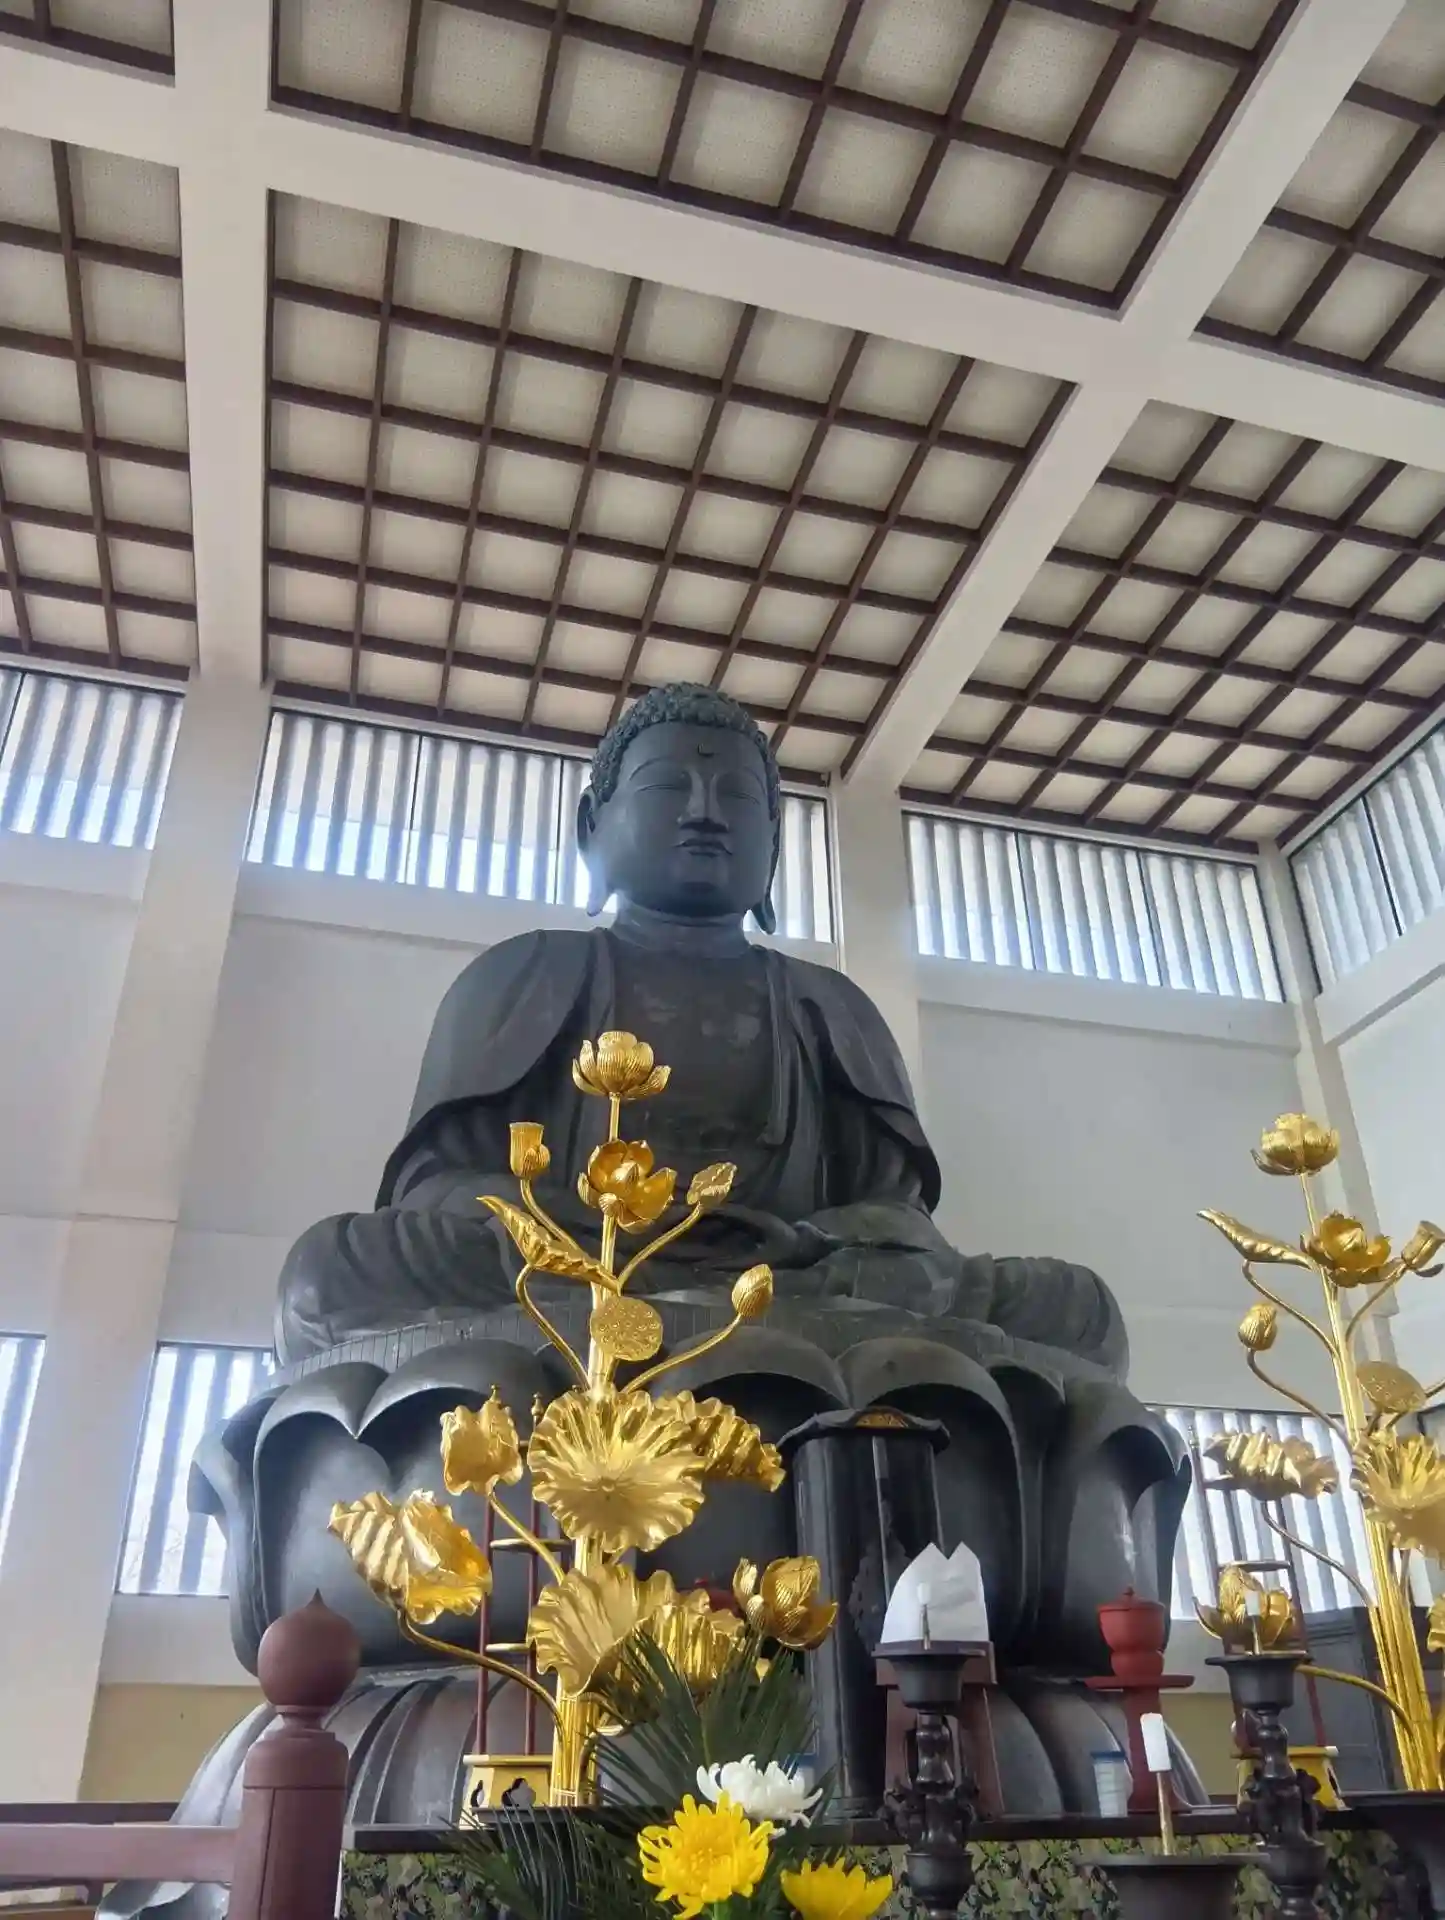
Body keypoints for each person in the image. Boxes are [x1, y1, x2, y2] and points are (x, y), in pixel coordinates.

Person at [274, 682, 1127, 1388]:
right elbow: (436, 1189)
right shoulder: (526, 971)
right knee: (331, 1272)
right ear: (591, 826)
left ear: (772, 844)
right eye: (666, 789)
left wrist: (808, 1243)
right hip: (577, 1268)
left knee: (1077, 1308)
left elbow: (898, 1217)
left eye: (738, 799)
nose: (704, 814)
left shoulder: (827, 1002)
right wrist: (589, 1235)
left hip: (792, 1280)